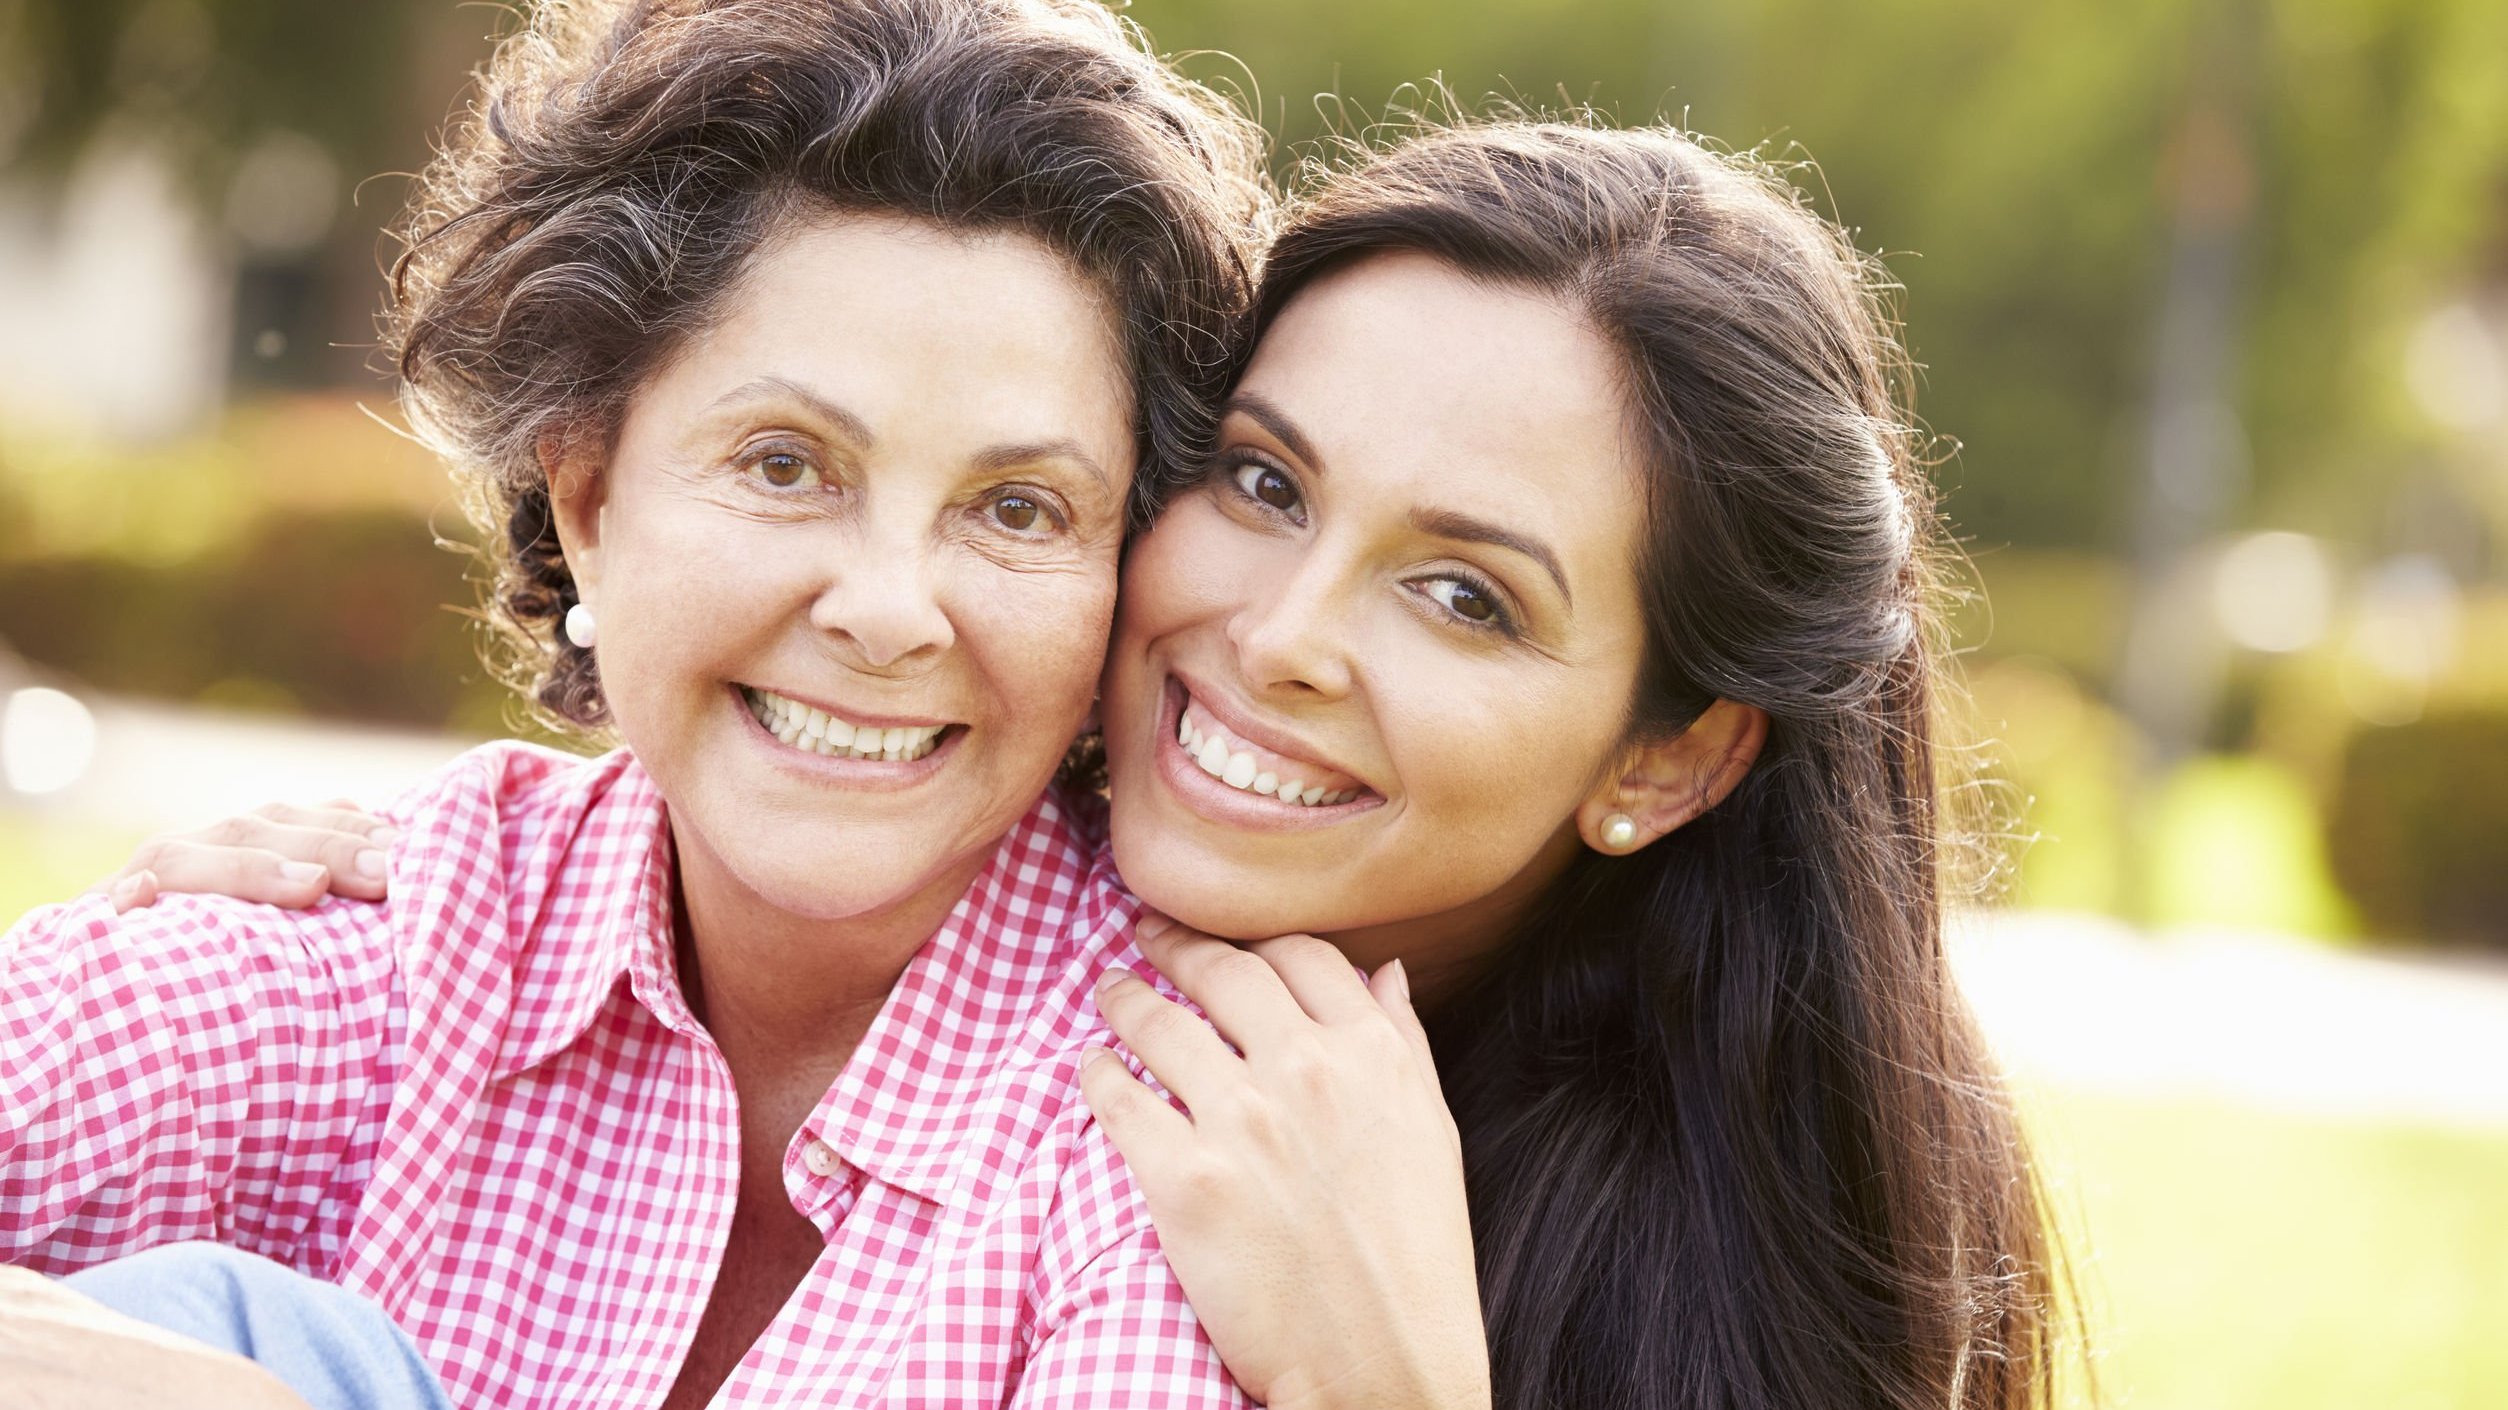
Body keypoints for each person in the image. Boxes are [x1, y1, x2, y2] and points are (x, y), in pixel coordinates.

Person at [91, 117, 2067, 1410]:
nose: (1278, 636)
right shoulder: (761, 877)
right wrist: (435, 862)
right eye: (1261, 481)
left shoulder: (1701, 1283)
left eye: (1466, 598)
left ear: (1669, 761)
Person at [1, 1, 1273, 1408]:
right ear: (589, 495)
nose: (890, 607)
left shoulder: (1184, 1098)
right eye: (787, 465)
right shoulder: (418, 931)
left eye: (1018, 507)